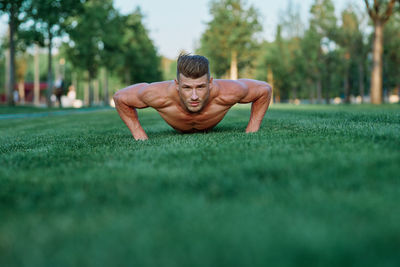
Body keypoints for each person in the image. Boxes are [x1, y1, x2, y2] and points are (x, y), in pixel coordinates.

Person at [113, 53, 272, 140]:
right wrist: (138, 132)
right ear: (177, 84)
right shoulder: (156, 94)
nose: (194, 96)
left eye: (201, 87)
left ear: (210, 82)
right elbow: (120, 97)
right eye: (187, 88)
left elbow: (264, 89)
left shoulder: (229, 91)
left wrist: (253, 127)